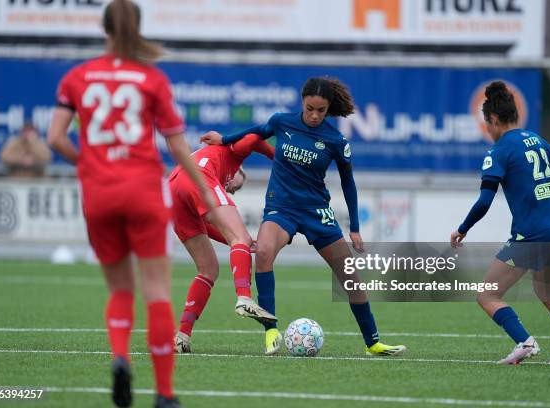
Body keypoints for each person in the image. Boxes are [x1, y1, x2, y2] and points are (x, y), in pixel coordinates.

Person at [47, 1, 213, 407]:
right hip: (142, 190)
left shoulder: (77, 78)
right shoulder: (151, 79)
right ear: (137, 29)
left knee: (119, 289)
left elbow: (54, 139)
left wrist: (88, 162)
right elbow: (176, 146)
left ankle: (121, 358)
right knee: (156, 290)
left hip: (99, 193)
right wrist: (206, 192)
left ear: (104, 30)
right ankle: (165, 394)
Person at [201, 76, 406, 356]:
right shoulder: (282, 122)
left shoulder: (336, 140)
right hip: (281, 208)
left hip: (316, 211)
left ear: (328, 109)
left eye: (321, 110)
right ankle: (271, 331)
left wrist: (355, 227)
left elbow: (349, 182)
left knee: (350, 277)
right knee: (262, 253)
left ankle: (373, 343)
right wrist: (224, 139)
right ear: (302, 102)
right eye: (310, 108)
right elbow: (257, 131)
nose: (314, 115)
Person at [451, 81, 550, 365]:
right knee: (546, 290)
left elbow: (485, 201)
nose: (487, 130)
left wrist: (462, 229)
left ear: (494, 119)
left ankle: (525, 342)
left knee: (487, 294)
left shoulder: (499, 152)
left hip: (532, 235)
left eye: (487, 124)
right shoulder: (538, 141)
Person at [169, 133, 277, 353]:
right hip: (198, 177)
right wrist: (277, 158)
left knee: (208, 269)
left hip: (173, 188)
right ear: (238, 172)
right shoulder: (233, 153)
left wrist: (235, 241)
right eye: (234, 187)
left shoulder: (210, 160)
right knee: (241, 237)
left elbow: (206, 227)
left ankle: (182, 336)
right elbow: (253, 138)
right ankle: (244, 298)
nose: (230, 190)